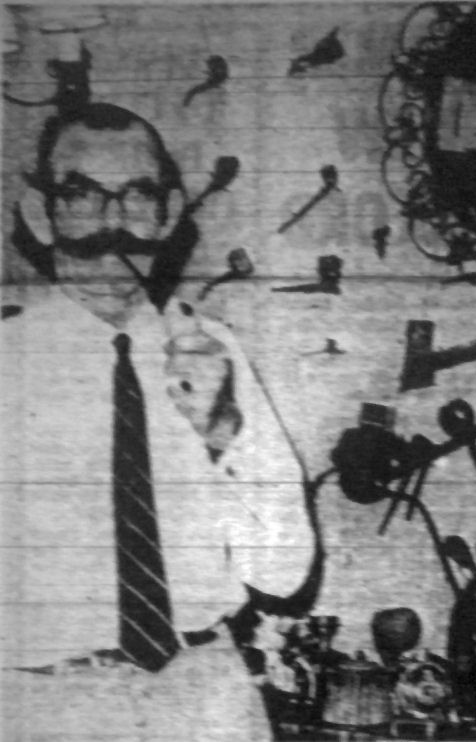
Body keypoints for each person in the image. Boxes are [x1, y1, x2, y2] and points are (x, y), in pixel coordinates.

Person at [1, 102, 317, 741]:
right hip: (45, 706)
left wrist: (223, 429)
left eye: (138, 196)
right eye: (82, 196)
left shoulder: (217, 353)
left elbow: (284, 573)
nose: (113, 223)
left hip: (206, 699)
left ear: (169, 214)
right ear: (40, 212)